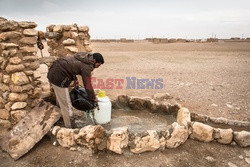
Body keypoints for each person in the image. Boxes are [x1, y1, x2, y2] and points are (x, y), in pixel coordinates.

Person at [47, 52, 104, 128]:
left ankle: (60, 118)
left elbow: (70, 66)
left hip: (54, 72)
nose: (97, 67)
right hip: (58, 77)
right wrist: (93, 98)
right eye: (98, 65)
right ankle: (70, 127)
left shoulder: (83, 57)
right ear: (94, 61)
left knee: (61, 100)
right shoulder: (87, 66)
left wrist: (74, 78)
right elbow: (88, 85)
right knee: (66, 104)